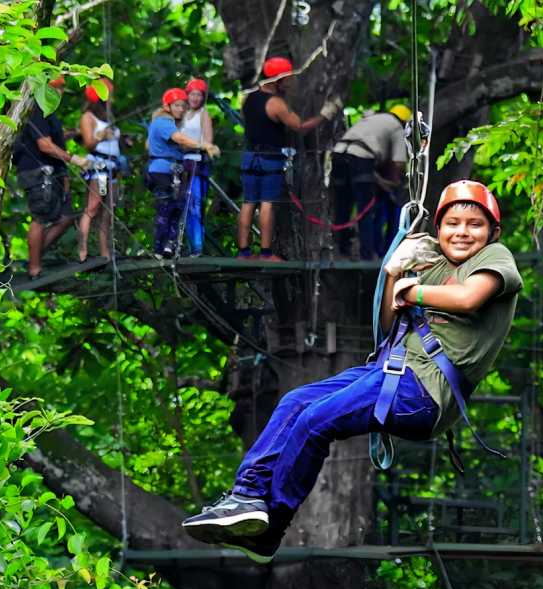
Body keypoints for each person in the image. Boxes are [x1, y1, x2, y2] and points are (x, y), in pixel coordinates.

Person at [181, 179, 523, 563]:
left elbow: (467, 298)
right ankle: (247, 494)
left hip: (424, 391)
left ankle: (271, 525)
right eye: (452, 223)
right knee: (295, 402)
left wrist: (409, 291)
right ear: (438, 228)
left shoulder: (495, 259)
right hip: (392, 371)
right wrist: (394, 271)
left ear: (492, 231)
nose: (462, 232)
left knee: (315, 421)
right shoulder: (432, 263)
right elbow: (388, 322)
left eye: (474, 224)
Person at [237, 56, 341, 261]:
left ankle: (243, 252)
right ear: (277, 80)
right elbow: (300, 126)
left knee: (248, 203)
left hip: (250, 157)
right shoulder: (275, 103)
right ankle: (266, 253)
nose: (291, 82)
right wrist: (326, 114)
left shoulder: (248, 98)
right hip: (269, 159)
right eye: (287, 79)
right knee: (267, 203)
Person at [12, 76, 91, 278]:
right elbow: (44, 145)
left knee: (64, 218)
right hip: (38, 172)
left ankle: (35, 257)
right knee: (40, 218)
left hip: (52, 172)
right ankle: (34, 268)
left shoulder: (49, 112)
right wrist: (73, 159)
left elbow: (49, 138)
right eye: (57, 89)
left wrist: (68, 135)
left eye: (62, 89)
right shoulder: (36, 109)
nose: (61, 93)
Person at [146, 87, 220, 258]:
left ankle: (168, 247)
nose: (180, 109)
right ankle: (159, 248)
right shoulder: (164, 122)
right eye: (177, 106)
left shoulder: (166, 122)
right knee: (166, 209)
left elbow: (149, 144)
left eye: (182, 106)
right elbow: (179, 139)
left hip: (170, 170)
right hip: (163, 172)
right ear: (167, 106)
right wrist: (203, 145)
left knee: (177, 209)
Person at [331, 104, 410, 260]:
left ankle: (342, 251)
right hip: (362, 158)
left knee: (342, 207)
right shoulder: (397, 128)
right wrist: (393, 185)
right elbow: (398, 162)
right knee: (365, 209)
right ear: (405, 121)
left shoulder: (371, 119)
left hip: (339, 154)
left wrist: (381, 181)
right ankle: (367, 255)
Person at [77, 78, 125, 262]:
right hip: (100, 168)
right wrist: (102, 136)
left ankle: (105, 253)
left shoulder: (108, 117)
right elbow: (88, 143)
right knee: (93, 207)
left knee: (108, 210)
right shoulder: (88, 117)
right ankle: (83, 251)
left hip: (113, 168)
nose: (112, 98)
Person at [179, 78, 213, 257]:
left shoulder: (203, 114)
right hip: (181, 163)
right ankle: (187, 245)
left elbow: (207, 142)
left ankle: (197, 247)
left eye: (199, 95)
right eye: (192, 94)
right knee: (182, 205)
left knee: (195, 205)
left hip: (196, 163)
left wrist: (188, 144)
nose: (195, 98)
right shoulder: (182, 114)